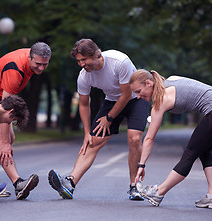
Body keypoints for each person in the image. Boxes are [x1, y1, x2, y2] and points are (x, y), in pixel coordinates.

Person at [48, 39, 149, 200]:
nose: (81, 64)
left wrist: (109, 118)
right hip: (112, 101)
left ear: (96, 55)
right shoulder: (84, 77)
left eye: (84, 60)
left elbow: (126, 94)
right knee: (93, 141)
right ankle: (70, 183)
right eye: (79, 61)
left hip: (135, 99)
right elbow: (83, 104)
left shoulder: (119, 62)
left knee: (135, 138)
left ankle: (134, 186)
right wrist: (87, 133)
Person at [130, 69, 212, 208]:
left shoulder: (161, 100)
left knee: (190, 153)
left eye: (139, 91)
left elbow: (149, 138)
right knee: (204, 150)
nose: (138, 97)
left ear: (148, 83)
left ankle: (158, 192)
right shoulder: (171, 79)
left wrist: (141, 165)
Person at [0, 42, 51, 199]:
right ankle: (18, 184)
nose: (41, 68)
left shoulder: (33, 55)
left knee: (9, 138)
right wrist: (5, 144)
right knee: (5, 140)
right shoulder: (15, 70)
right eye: (38, 64)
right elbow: (5, 110)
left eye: (45, 64)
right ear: (29, 57)